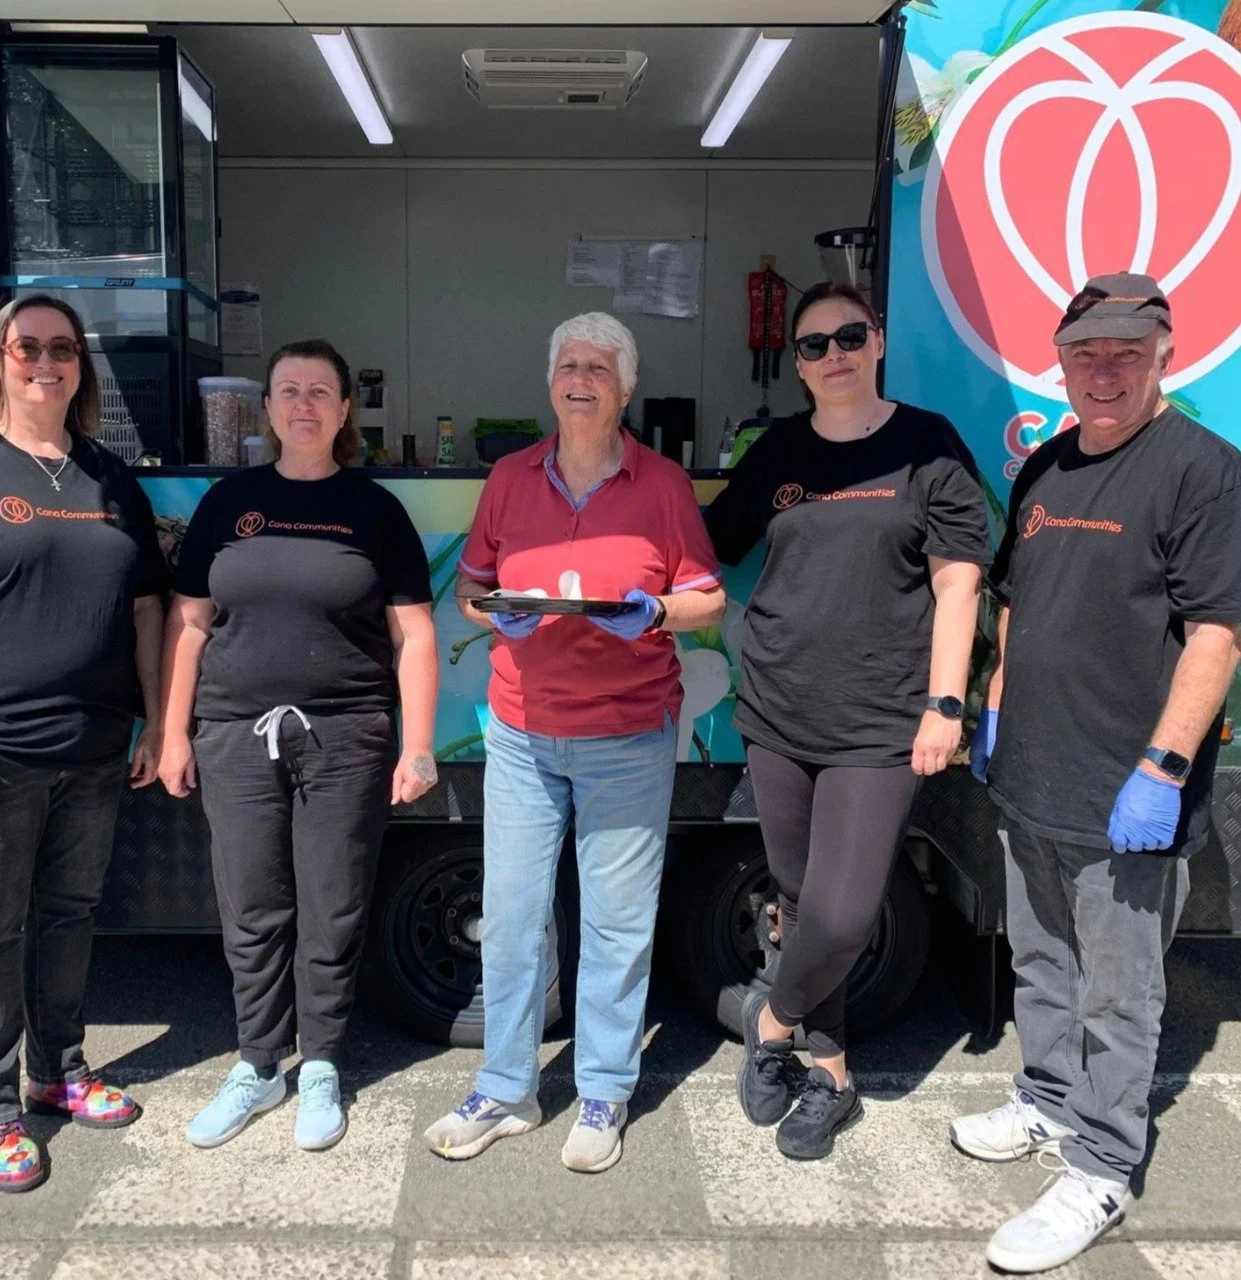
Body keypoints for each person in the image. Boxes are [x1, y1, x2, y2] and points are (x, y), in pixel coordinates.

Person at [957, 273, 1241, 1273]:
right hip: (1031, 774)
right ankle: (1043, 1097)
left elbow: (1216, 628)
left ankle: (1103, 1160)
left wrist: (1162, 765)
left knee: (1119, 991)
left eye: (1126, 351)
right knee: (1040, 961)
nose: (1105, 371)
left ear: (1165, 350)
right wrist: (991, 710)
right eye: (1086, 353)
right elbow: (1012, 602)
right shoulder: (1044, 468)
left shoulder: (1202, 471)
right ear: (1061, 359)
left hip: (1127, 792)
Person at [424, 312, 725, 1173]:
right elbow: (474, 590)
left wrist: (658, 612)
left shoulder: (662, 485)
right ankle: (507, 1086)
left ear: (624, 388)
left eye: (598, 365)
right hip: (520, 729)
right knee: (513, 918)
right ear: (549, 382)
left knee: (617, 923)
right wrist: (492, 610)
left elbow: (707, 597)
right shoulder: (511, 477)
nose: (580, 377)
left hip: (628, 733)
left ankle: (602, 1088)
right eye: (567, 363)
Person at [703, 281, 990, 1161]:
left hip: (883, 720)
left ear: (876, 343)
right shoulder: (778, 449)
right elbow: (713, 542)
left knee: (842, 911)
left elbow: (957, 583)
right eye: (814, 344)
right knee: (795, 899)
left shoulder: (925, 443)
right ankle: (830, 1077)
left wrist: (946, 702)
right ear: (795, 363)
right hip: (778, 708)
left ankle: (773, 1022)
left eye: (848, 336)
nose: (832, 355)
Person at [0, 295, 168, 1192]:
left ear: (80, 366)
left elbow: (144, 605)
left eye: (62, 348)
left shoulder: (106, 475)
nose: (44, 362)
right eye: (27, 348)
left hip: (91, 747)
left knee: (67, 914)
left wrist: (155, 718)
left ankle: (56, 1070)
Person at [159, 338, 439, 1152]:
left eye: (321, 391)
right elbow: (188, 622)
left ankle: (318, 1062)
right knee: (250, 906)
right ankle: (257, 1062)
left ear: (345, 408)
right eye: (289, 390)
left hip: (346, 736)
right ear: (268, 407)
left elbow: (414, 634)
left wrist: (415, 745)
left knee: (332, 903)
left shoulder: (375, 510)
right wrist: (174, 731)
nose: (304, 404)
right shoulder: (228, 502)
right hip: (235, 733)